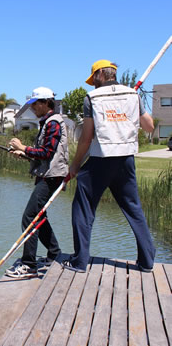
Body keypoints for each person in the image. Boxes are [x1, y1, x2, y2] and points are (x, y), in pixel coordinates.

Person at [63, 60, 156, 273]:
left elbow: (86, 138)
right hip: (126, 159)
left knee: (83, 206)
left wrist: (75, 165)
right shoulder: (133, 95)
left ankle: (79, 261)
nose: (92, 84)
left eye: (93, 79)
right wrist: (133, 108)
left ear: (99, 76)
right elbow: (149, 127)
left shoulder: (92, 98)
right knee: (133, 208)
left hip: (101, 158)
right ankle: (147, 261)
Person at [5, 87, 69, 279]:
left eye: (35, 104)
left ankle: (29, 265)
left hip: (52, 177)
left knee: (30, 217)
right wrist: (25, 154)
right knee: (40, 217)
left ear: (46, 103)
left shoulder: (54, 123)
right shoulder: (46, 123)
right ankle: (54, 254)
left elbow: (48, 153)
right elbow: (43, 155)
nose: (32, 107)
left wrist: (23, 146)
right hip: (46, 174)